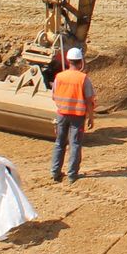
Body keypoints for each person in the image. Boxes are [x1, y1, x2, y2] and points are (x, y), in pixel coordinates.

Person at [50, 45, 96, 183]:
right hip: (77, 116)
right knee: (75, 144)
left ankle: (55, 172)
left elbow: (53, 96)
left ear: (68, 61)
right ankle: (72, 175)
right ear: (81, 61)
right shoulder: (83, 79)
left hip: (62, 114)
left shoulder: (59, 77)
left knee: (59, 143)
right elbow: (89, 100)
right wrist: (91, 117)